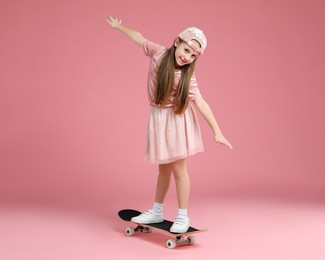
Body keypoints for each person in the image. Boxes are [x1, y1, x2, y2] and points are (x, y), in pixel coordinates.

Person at [107, 16, 233, 233]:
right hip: (158, 119)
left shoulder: (187, 77)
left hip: (176, 121)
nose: (187, 57)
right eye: (186, 50)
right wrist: (120, 27)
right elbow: (139, 38)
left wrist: (217, 131)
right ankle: (157, 212)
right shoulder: (158, 53)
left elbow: (200, 102)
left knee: (178, 169)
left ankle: (183, 215)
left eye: (193, 56)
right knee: (163, 169)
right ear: (177, 42)